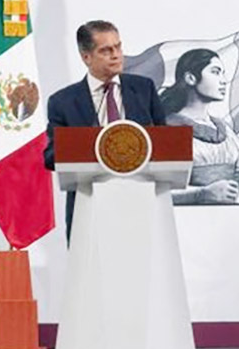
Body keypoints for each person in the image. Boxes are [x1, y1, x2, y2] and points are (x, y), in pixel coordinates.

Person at [43, 20, 167, 240]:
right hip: (88, 207)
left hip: (139, 201)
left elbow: (166, 143)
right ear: (86, 57)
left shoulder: (144, 89)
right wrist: (93, 146)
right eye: (106, 50)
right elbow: (50, 157)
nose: (116, 55)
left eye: (118, 47)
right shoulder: (63, 102)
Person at [160, 48, 239, 204]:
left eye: (223, 73)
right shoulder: (169, 128)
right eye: (215, 72)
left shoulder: (224, 131)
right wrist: (202, 194)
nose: (223, 80)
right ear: (190, 78)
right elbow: (158, 194)